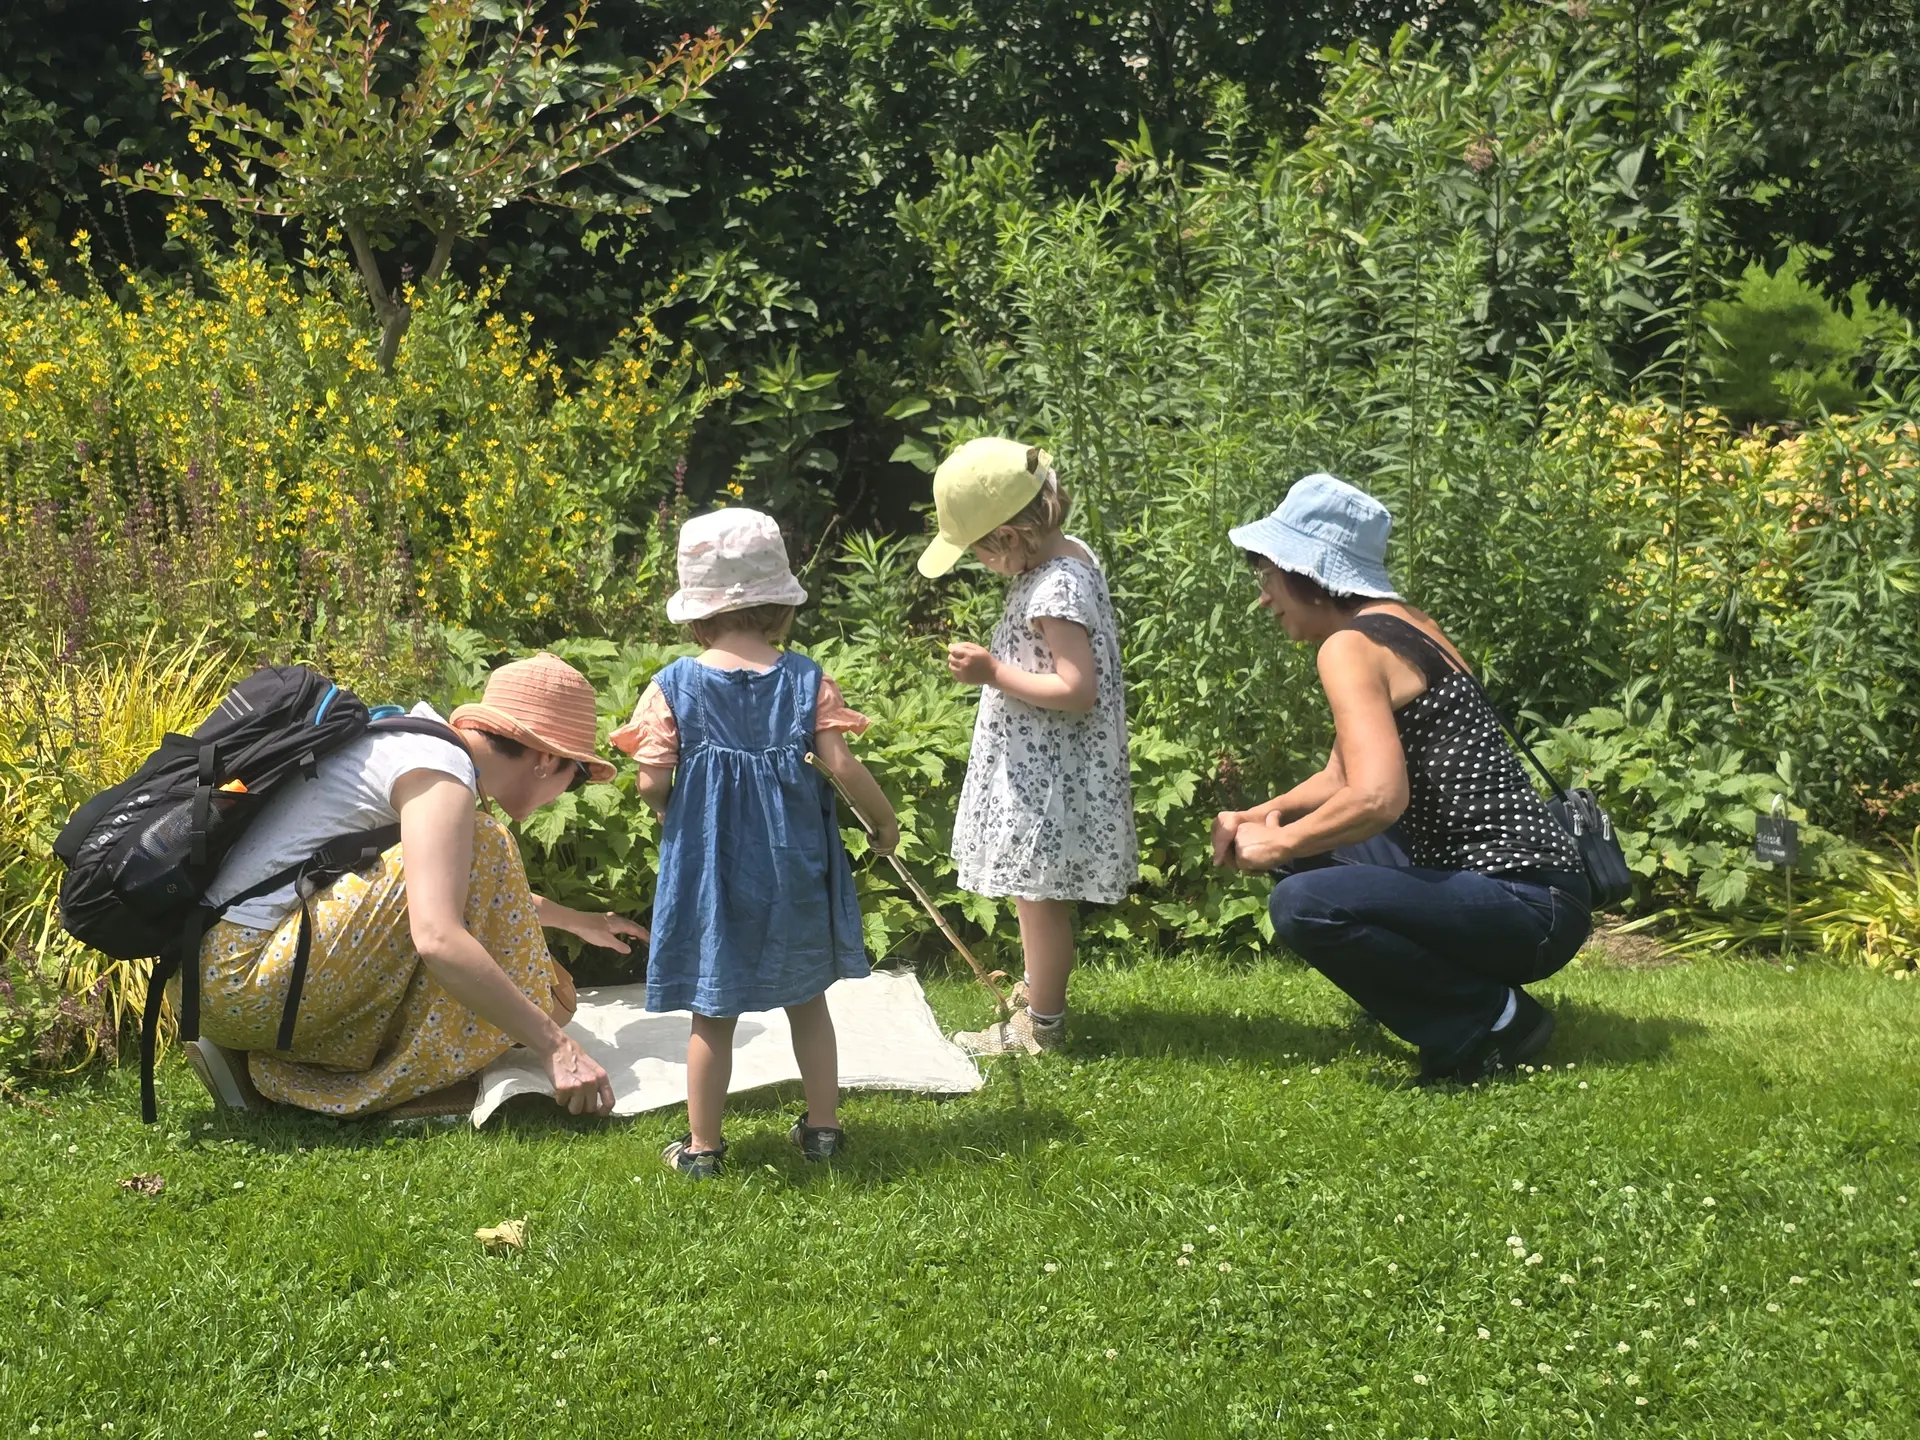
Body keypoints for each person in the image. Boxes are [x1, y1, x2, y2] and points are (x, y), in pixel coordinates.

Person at [1213, 472, 1592, 1082]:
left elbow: (1379, 798)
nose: (1264, 597)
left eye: (1268, 575)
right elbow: (1343, 775)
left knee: (1302, 900)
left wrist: (1279, 843)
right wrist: (1261, 818)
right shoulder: (1410, 627)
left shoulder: (1348, 648)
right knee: (1305, 852)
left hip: (1522, 904)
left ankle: (1490, 1019)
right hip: (1545, 899)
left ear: (1309, 572)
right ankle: (1436, 991)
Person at [185, 653, 643, 1118]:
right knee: (486, 846)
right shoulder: (440, 771)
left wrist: (577, 921)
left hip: (209, 977)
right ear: (546, 759)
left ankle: (271, 1058)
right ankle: (361, 1082)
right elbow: (438, 938)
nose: (572, 789)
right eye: (578, 775)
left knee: (476, 854)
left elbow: (443, 881)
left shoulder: (413, 742)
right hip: (240, 980)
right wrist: (555, 1045)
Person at [611, 507, 898, 1179]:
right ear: (777, 604)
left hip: (711, 870)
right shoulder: (805, 679)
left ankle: (703, 1148)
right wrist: (882, 822)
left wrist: (670, 809)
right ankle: (823, 1130)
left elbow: (650, 780)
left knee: (713, 1010)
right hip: (794, 866)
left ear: (696, 611)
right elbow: (844, 766)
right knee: (808, 1000)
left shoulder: (672, 686)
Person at [918, 437, 1137, 1056]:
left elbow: (1076, 689)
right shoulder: (1066, 559)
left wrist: (993, 672)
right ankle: (1040, 988)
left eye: (979, 550)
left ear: (1011, 538)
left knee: (1037, 897)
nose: (979, 562)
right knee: (1030, 890)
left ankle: (1041, 1027)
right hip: (1045, 763)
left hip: (1049, 774)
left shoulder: (1054, 590)